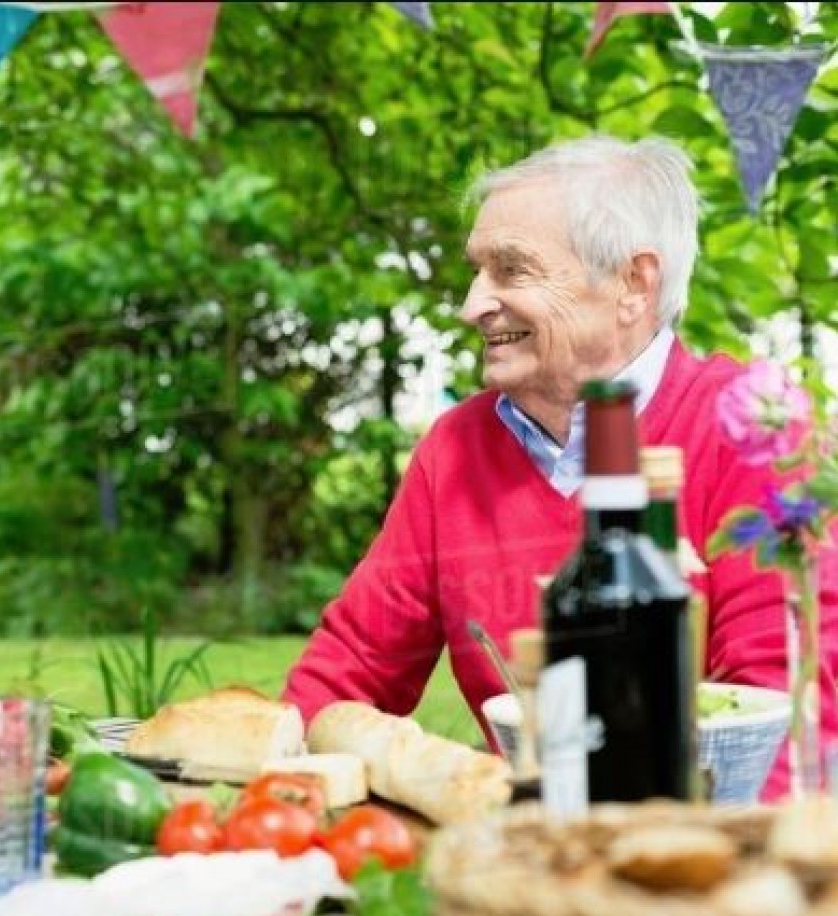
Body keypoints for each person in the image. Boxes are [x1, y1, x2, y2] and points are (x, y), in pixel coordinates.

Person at [281, 133, 837, 801]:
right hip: (534, 852)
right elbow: (347, 676)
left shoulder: (757, 430)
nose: (471, 304)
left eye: (511, 270)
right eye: (477, 270)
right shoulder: (454, 449)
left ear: (634, 283)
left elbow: (780, 723)